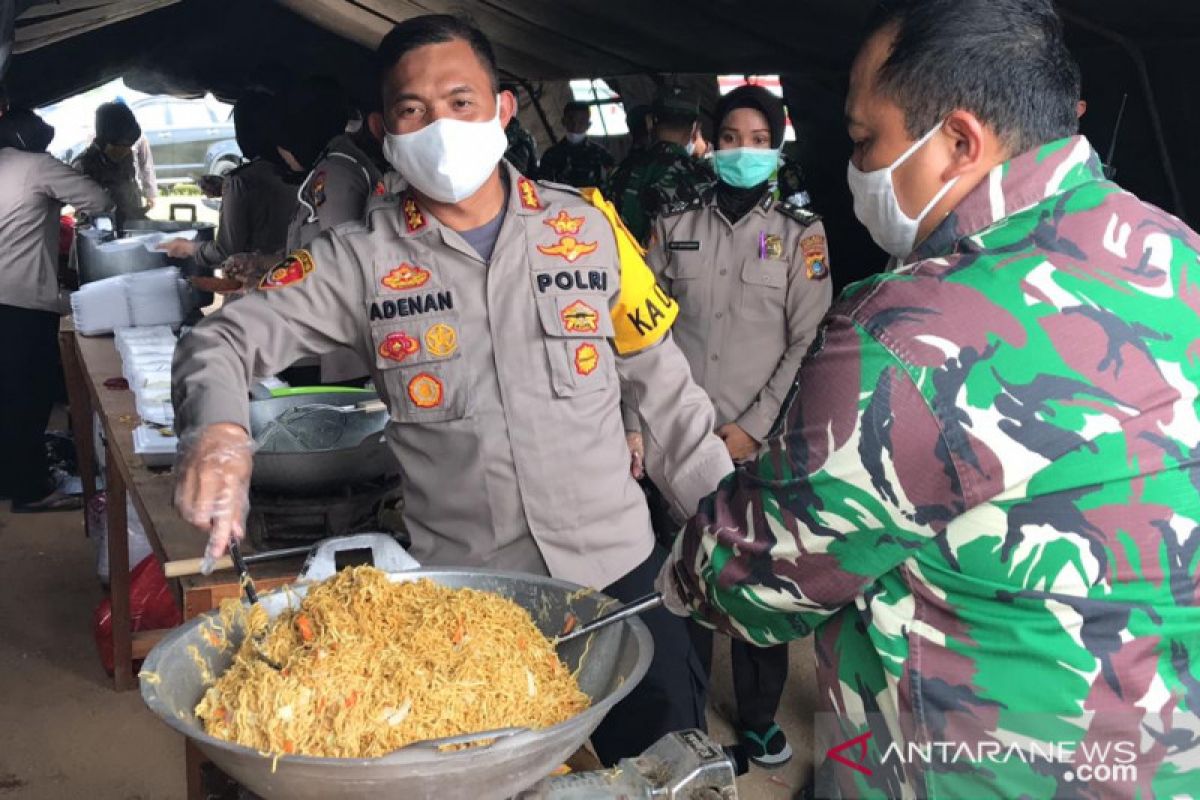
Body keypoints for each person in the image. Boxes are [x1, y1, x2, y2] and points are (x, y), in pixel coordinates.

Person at [658, 1, 1200, 797]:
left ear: (957, 143)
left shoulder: (907, 332)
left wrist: (677, 561)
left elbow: (749, 579)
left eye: (862, 140)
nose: (857, 168)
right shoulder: (1176, 252)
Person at [170, 14, 732, 764]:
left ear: (501, 109)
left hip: (622, 583)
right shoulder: (357, 259)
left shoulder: (588, 230)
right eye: (413, 111)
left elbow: (666, 398)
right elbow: (221, 337)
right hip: (469, 607)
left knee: (662, 769)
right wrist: (218, 431)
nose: (440, 125)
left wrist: (736, 525)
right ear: (384, 131)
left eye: (461, 102)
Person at [644, 84, 832, 768]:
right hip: (678, 437)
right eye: (730, 138)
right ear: (709, 142)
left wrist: (754, 426)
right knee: (681, 574)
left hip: (762, 443)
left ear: (777, 146)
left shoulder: (799, 235)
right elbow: (643, 330)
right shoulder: (674, 224)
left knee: (755, 576)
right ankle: (688, 714)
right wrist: (649, 422)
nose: (742, 151)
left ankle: (757, 719)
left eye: (758, 139)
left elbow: (808, 341)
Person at [0, 109, 111, 512]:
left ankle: (8, 480)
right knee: (28, 397)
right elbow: (99, 199)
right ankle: (31, 489)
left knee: (5, 395)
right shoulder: (37, 166)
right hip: (22, 302)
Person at [159, 91, 298, 267]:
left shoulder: (240, 181)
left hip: (254, 282)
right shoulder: (297, 171)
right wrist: (225, 187)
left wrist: (188, 247)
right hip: (294, 274)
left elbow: (226, 251)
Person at [608, 87, 714, 245]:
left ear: (650, 122)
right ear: (695, 129)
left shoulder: (621, 173)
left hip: (628, 266)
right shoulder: (704, 177)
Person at [71, 101, 145, 227]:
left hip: (131, 227)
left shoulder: (126, 158)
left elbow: (130, 194)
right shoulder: (84, 165)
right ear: (105, 141)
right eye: (123, 145)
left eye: (130, 145)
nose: (128, 150)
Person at [538, 100, 615, 188]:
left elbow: (611, 183)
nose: (575, 126)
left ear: (588, 125)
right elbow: (543, 185)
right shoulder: (551, 155)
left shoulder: (601, 154)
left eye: (581, 121)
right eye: (571, 120)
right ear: (563, 121)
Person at [501, 82, 539, 177]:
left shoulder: (526, 138)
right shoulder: (483, 134)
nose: (509, 109)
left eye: (512, 104)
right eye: (505, 104)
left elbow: (533, 172)